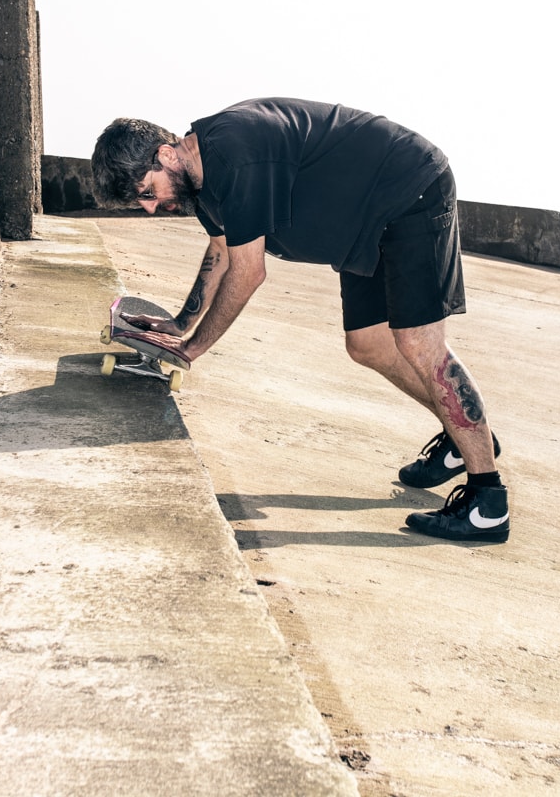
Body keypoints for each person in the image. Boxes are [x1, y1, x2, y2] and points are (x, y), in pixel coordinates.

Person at [91, 98, 509, 543]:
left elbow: (248, 272)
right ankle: (463, 438)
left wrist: (192, 349)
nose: (152, 208)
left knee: (419, 345)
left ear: (165, 155)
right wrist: (179, 324)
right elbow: (221, 252)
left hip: (408, 190)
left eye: (148, 192)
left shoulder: (234, 157)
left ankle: (487, 502)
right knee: (366, 344)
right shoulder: (202, 181)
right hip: (365, 219)